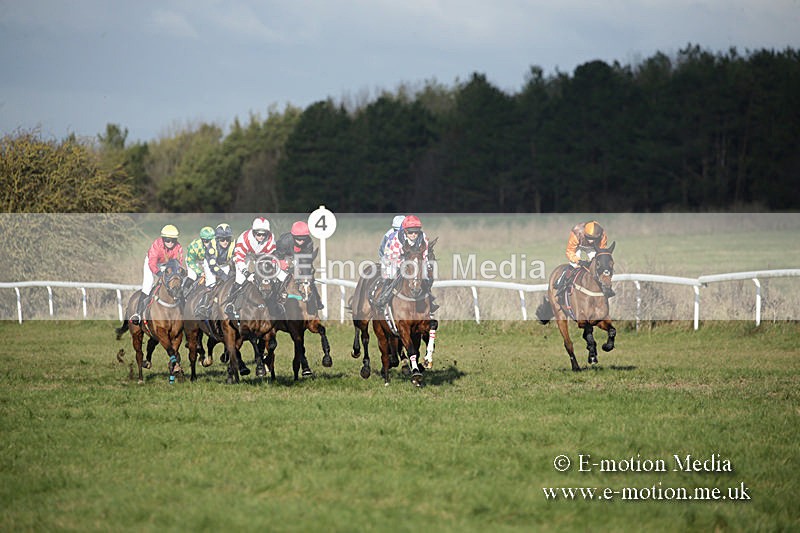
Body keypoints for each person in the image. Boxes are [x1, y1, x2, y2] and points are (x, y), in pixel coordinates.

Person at [223, 216, 277, 318]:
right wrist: (247, 273)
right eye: (258, 234)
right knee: (240, 279)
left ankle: (276, 303)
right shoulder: (244, 239)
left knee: (270, 279)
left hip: (261, 257)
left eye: (264, 234)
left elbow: (271, 258)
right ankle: (230, 304)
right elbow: (239, 259)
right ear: (253, 232)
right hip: (244, 256)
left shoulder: (271, 239)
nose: (261, 236)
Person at [131, 224, 185, 325]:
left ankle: (183, 312)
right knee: (148, 284)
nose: (170, 243)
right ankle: (138, 314)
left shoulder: (178, 247)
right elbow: (152, 263)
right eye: (167, 240)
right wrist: (159, 273)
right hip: (153, 263)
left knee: (178, 284)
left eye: (173, 240)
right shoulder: (156, 245)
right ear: (163, 239)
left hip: (168, 265)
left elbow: (179, 263)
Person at [554, 220, 614, 297]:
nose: (591, 241)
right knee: (574, 264)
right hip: (578, 246)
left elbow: (601, 252)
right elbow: (570, 251)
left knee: (600, 265)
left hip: (593, 248)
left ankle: (605, 286)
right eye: (589, 238)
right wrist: (579, 261)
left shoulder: (602, 235)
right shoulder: (576, 232)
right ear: (585, 234)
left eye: (594, 238)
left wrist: (594, 261)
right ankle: (561, 282)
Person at [275, 221, 323, 311]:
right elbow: (278, 257)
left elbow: (305, 260)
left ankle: (317, 299)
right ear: (293, 237)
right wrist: (286, 267)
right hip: (282, 257)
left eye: (303, 239)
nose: (301, 242)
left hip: (298, 258)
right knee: (281, 277)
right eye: (298, 239)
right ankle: (276, 299)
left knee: (308, 276)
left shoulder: (309, 243)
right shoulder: (284, 241)